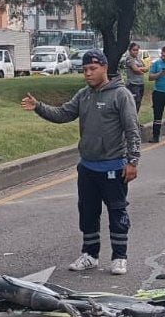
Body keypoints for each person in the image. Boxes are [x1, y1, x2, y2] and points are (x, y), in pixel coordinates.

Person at [21, 50, 141, 275]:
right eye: (85, 70)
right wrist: (38, 107)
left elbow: (132, 130)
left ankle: (119, 257)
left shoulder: (121, 95)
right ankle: (90, 255)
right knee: (87, 212)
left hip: (113, 168)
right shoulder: (83, 95)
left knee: (117, 212)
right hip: (88, 168)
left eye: (93, 69)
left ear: (104, 68)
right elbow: (63, 114)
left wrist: (132, 161)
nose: (88, 74)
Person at [121, 42, 148, 112]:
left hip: (141, 83)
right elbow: (135, 69)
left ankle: (135, 121)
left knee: (138, 103)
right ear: (130, 50)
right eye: (134, 50)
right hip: (133, 85)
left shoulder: (138, 59)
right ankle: (132, 121)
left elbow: (146, 68)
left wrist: (140, 69)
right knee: (134, 103)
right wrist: (140, 69)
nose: (136, 51)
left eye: (137, 50)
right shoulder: (129, 58)